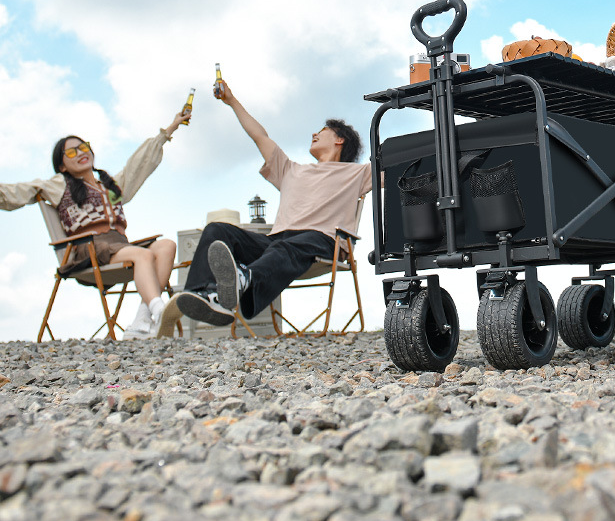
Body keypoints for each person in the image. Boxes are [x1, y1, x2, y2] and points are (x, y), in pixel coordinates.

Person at [166, 79, 371, 333]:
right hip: (277, 243)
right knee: (217, 230)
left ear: (340, 139)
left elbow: (399, 169)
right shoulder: (290, 170)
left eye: (322, 131)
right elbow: (259, 136)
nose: (314, 134)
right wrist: (231, 101)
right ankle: (205, 294)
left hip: (323, 241)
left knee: (291, 243)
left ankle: (243, 279)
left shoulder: (357, 173)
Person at [0, 110, 191, 338]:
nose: (81, 153)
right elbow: (19, 191)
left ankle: (142, 320)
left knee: (167, 245)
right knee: (143, 255)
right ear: (62, 166)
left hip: (119, 246)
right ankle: (159, 311)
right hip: (87, 249)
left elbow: (140, 164)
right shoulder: (60, 185)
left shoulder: (110, 186)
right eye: (72, 152)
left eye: (84, 147)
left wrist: (171, 127)